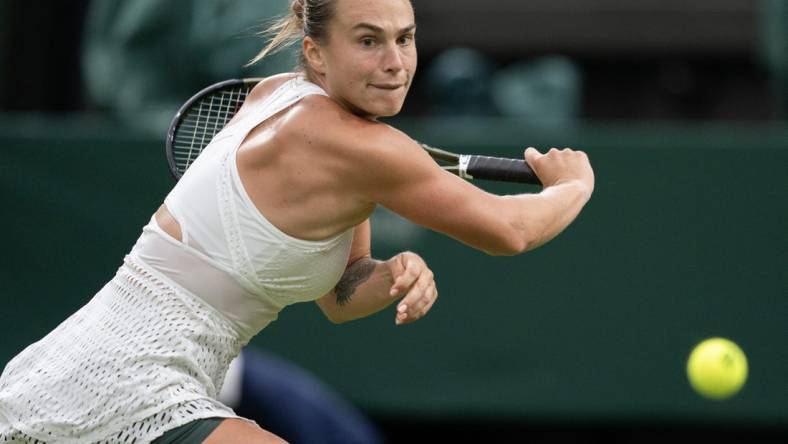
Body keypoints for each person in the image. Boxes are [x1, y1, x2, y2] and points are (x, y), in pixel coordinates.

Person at [0, 0, 594, 442]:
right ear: (315, 52)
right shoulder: (360, 147)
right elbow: (511, 231)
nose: (395, 63)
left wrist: (389, 275)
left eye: (405, 39)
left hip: (97, 370)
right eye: (368, 42)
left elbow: (340, 293)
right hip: (129, 380)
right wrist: (575, 184)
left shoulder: (284, 97)